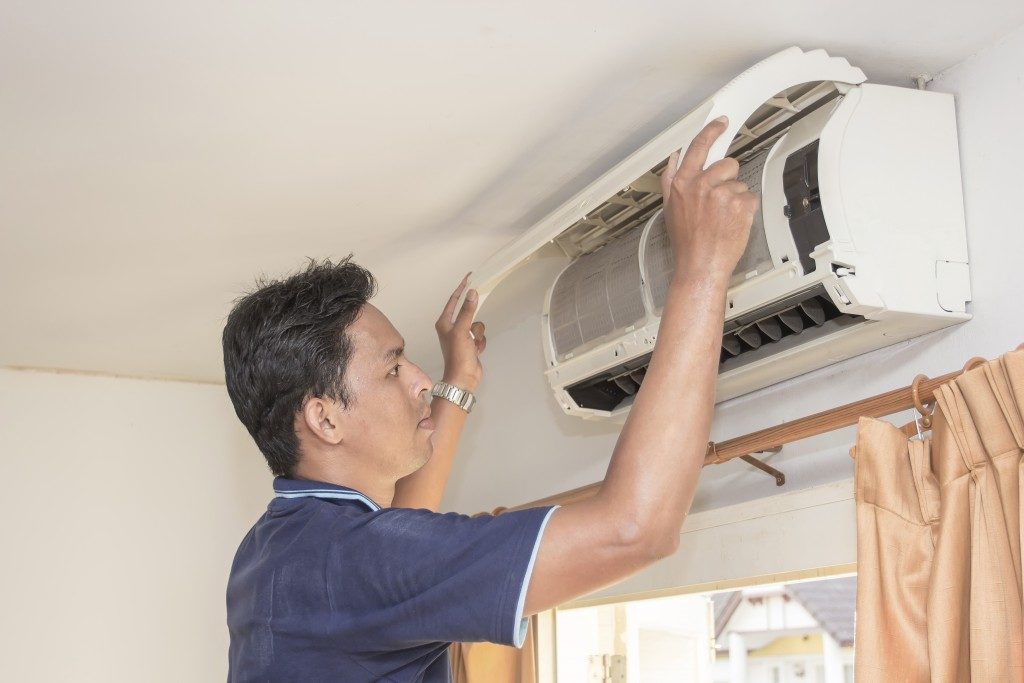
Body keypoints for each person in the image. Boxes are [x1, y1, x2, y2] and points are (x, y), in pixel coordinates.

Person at [222, 116, 756, 681]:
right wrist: (701, 270)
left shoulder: (276, 549)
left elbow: (400, 533)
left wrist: (460, 384)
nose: (419, 380)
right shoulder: (350, 563)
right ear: (325, 419)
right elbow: (634, 529)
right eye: (391, 369)